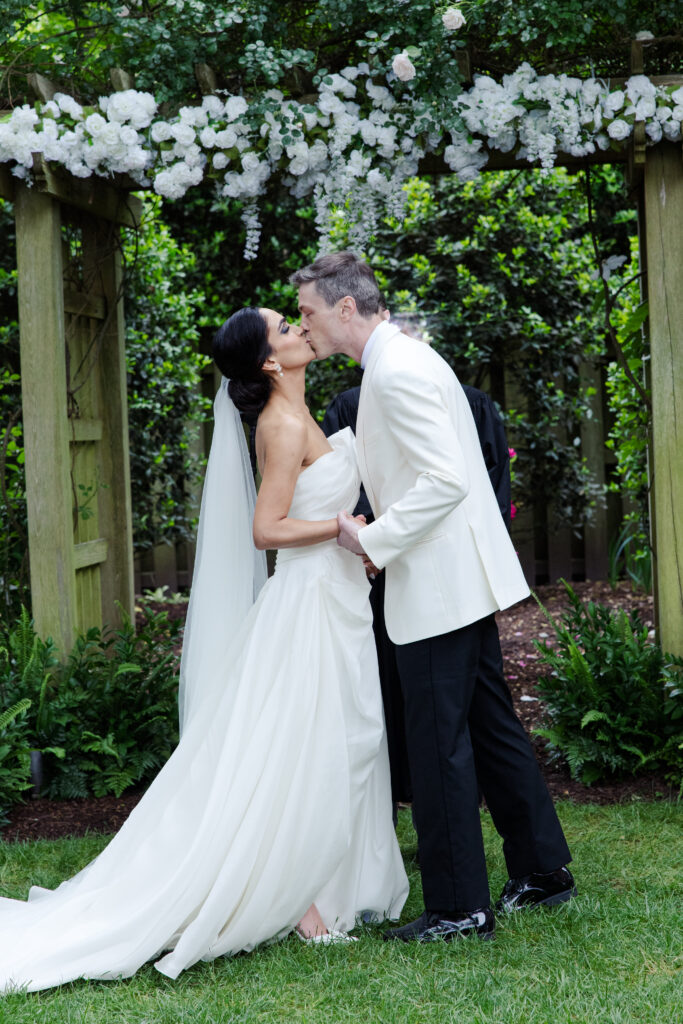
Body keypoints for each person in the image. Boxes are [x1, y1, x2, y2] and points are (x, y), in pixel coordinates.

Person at [0, 306, 408, 993]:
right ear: (270, 363)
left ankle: (320, 877)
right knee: (303, 746)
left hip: (336, 600)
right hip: (306, 607)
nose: (298, 330)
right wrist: (343, 527)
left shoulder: (303, 411)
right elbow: (266, 529)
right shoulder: (279, 425)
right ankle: (299, 899)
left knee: (343, 739)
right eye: (284, 329)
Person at [291, 251, 576, 944]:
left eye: (307, 312)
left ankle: (458, 908)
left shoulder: (396, 370)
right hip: (455, 577)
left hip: (435, 583)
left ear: (345, 308)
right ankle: (541, 870)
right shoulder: (402, 359)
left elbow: (446, 480)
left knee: (437, 742)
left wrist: (373, 540)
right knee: (489, 726)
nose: (304, 326)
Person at [322, 370, 512, 811]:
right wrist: (371, 547)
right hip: (375, 573)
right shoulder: (352, 407)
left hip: (436, 574)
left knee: (462, 704)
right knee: (384, 693)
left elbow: (487, 490)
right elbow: (339, 488)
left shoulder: (471, 403)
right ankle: (389, 802)